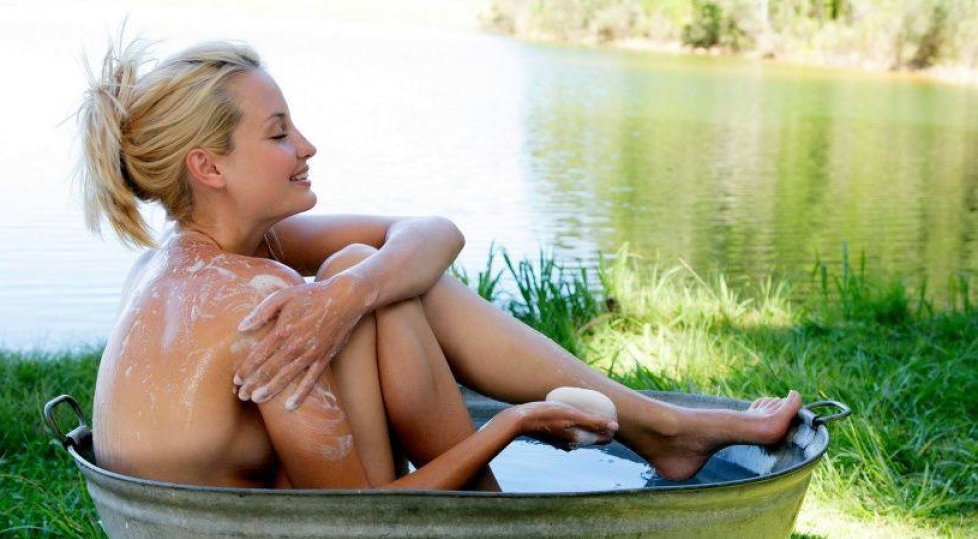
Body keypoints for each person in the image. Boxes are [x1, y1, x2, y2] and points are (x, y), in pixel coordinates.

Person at [79, 36, 802, 491]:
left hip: (226, 538)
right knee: (371, 276)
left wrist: (352, 291)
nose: (307, 146)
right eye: (278, 134)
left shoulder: (189, 261)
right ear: (208, 167)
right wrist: (511, 425)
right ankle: (499, 510)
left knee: (367, 269)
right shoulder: (258, 303)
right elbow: (356, 527)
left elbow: (433, 234)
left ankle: (660, 431)